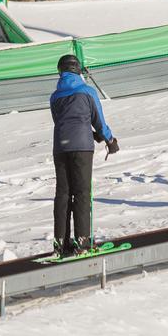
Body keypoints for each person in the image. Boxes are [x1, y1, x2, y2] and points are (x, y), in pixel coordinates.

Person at [50, 53, 117, 258]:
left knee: (63, 194)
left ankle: (60, 243)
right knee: (81, 193)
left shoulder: (55, 96)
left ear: (60, 72)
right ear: (78, 70)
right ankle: (83, 241)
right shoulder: (87, 91)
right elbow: (98, 119)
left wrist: (89, 132)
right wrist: (109, 140)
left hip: (60, 147)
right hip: (81, 148)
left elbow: (61, 121)